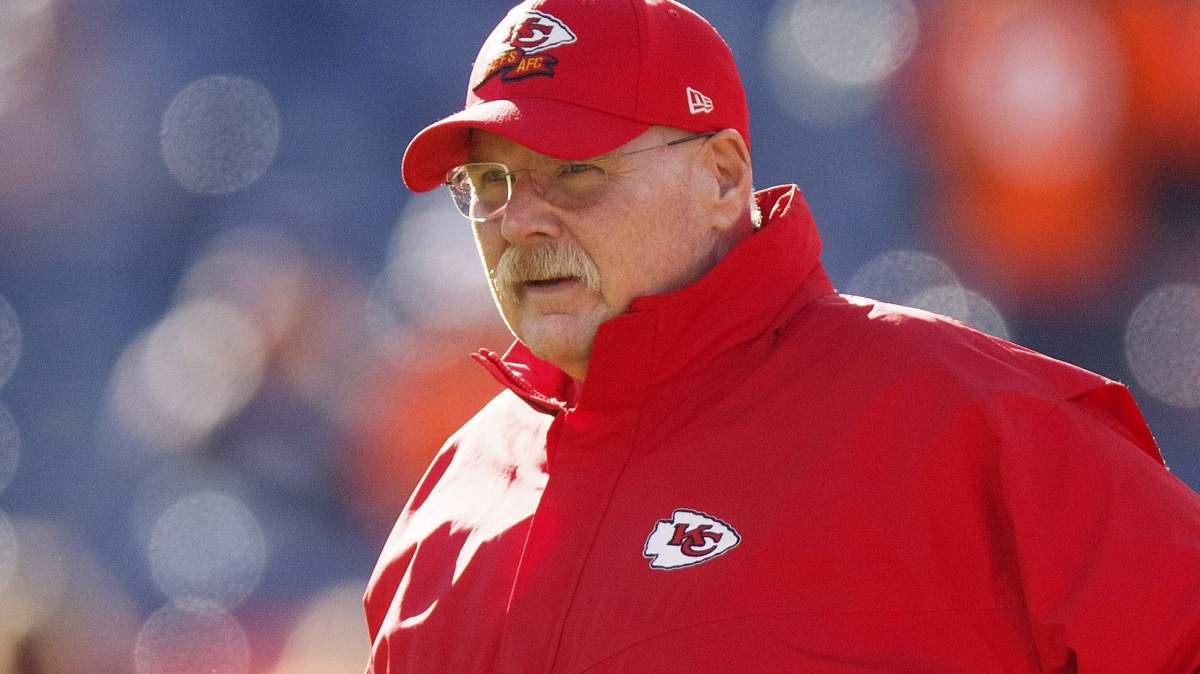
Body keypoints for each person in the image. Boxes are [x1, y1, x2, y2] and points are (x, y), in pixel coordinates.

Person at [363, 1, 1200, 671]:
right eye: (489, 183)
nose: (518, 221)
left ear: (723, 176)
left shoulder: (966, 423)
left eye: (575, 172)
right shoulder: (445, 512)